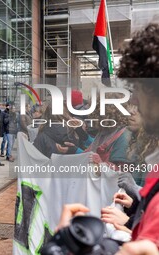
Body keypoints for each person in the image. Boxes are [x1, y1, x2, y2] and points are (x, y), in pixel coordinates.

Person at [56, 23, 159, 254]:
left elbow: (119, 170)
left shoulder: (126, 140)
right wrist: (133, 217)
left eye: (138, 90)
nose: (136, 104)